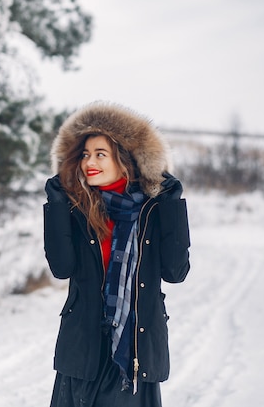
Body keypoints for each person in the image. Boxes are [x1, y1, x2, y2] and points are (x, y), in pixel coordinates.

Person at [44, 102, 191, 407]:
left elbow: (175, 272)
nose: (89, 162)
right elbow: (61, 267)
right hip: (84, 351)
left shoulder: (152, 211)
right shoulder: (76, 208)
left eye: (100, 154)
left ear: (124, 160)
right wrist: (57, 205)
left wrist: (173, 205)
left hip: (133, 350)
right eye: (84, 154)